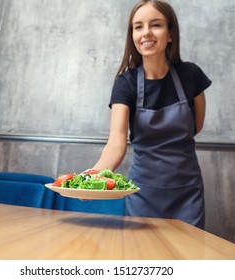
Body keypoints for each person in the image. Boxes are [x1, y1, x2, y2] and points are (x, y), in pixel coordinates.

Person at [91, 0, 212, 229]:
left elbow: (196, 126)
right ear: (132, 35)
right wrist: (92, 177)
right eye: (138, 26)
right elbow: (116, 144)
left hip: (187, 193)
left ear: (170, 34)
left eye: (155, 25)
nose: (146, 32)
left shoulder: (191, 75)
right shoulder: (125, 84)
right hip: (143, 194)